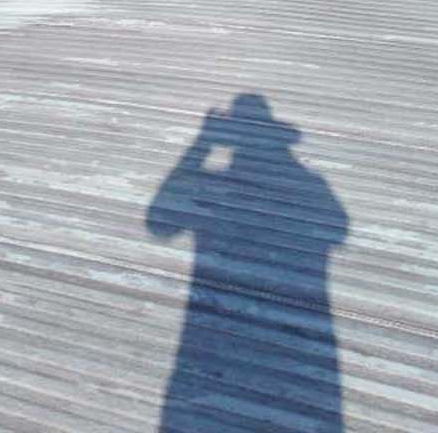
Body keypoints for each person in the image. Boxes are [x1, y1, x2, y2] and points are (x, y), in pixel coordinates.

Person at [147, 94, 348, 431]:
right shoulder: (312, 184)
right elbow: (338, 231)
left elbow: (159, 223)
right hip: (297, 324)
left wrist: (202, 143)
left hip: (212, 326)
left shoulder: (213, 182)